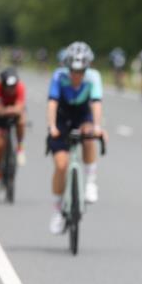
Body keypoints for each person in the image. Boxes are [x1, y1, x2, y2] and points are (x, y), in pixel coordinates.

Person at [46, 42, 106, 234]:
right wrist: (52, 126)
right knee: (61, 165)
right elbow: (52, 103)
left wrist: (97, 127)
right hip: (62, 117)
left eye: (80, 71)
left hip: (83, 116)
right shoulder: (58, 76)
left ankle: (90, 182)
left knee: (89, 136)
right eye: (73, 70)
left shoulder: (93, 77)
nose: (76, 75)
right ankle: (57, 211)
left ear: (87, 68)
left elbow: (96, 103)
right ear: (67, 67)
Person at [0, 68, 27, 185]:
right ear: (2, 84)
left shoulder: (20, 87)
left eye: (13, 86)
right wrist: (11, 109)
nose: (11, 89)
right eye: (8, 87)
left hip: (12, 110)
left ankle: (20, 146)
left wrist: (10, 110)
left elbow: (20, 108)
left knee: (21, 122)